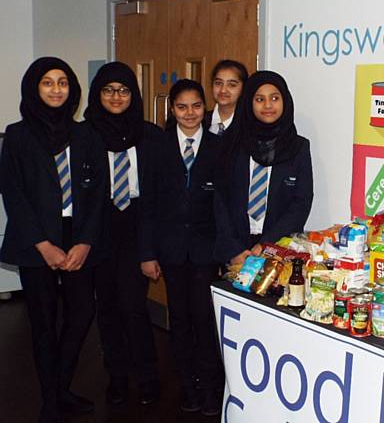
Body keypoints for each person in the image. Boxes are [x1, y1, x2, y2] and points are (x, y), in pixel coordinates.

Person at [0, 57, 106, 423]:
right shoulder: (17, 135)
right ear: (34, 87)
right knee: (43, 322)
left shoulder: (86, 134)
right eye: (48, 82)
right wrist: (43, 244)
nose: (57, 89)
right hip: (36, 241)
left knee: (81, 314)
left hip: (78, 237)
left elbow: (98, 194)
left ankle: (60, 387)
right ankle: (50, 400)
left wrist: (85, 241)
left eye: (63, 82)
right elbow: (13, 193)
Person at [138, 79, 224, 416]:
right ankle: (188, 384)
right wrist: (147, 253)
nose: (190, 113)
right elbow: (147, 204)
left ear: (206, 108)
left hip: (206, 249)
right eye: (182, 106)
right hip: (170, 248)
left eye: (196, 106)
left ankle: (211, 385)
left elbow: (224, 204)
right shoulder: (156, 148)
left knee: (204, 317)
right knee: (181, 318)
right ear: (171, 109)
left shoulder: (219, 148)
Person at [83, 62, 161, 406]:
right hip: (97, 230)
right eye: (108, 90)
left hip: (137, 226)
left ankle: (147, 377)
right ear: (98, 94)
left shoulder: (151, 135)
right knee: (108, 307)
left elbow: (162, 192)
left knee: (133, 307)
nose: (116, 97)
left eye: (124, 90)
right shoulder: (84, 135)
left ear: (135, 94)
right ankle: (116, 375)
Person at [218, 70, 313, 265]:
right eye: (260, 99)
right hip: (236, 249)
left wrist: (266, 244)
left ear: (285, 101)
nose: (268, 105)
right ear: (249, 103)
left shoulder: (298, 147)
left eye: (275, 98)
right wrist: (234, 249)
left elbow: (301, 203)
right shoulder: (231, 143)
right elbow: (220, 200)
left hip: (278, 247)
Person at [205, 59, 248, 136]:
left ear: (243, 88)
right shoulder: (200, 121)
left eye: (231, 85)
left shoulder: (248, 125)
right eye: (218, 83)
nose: (223, 90)